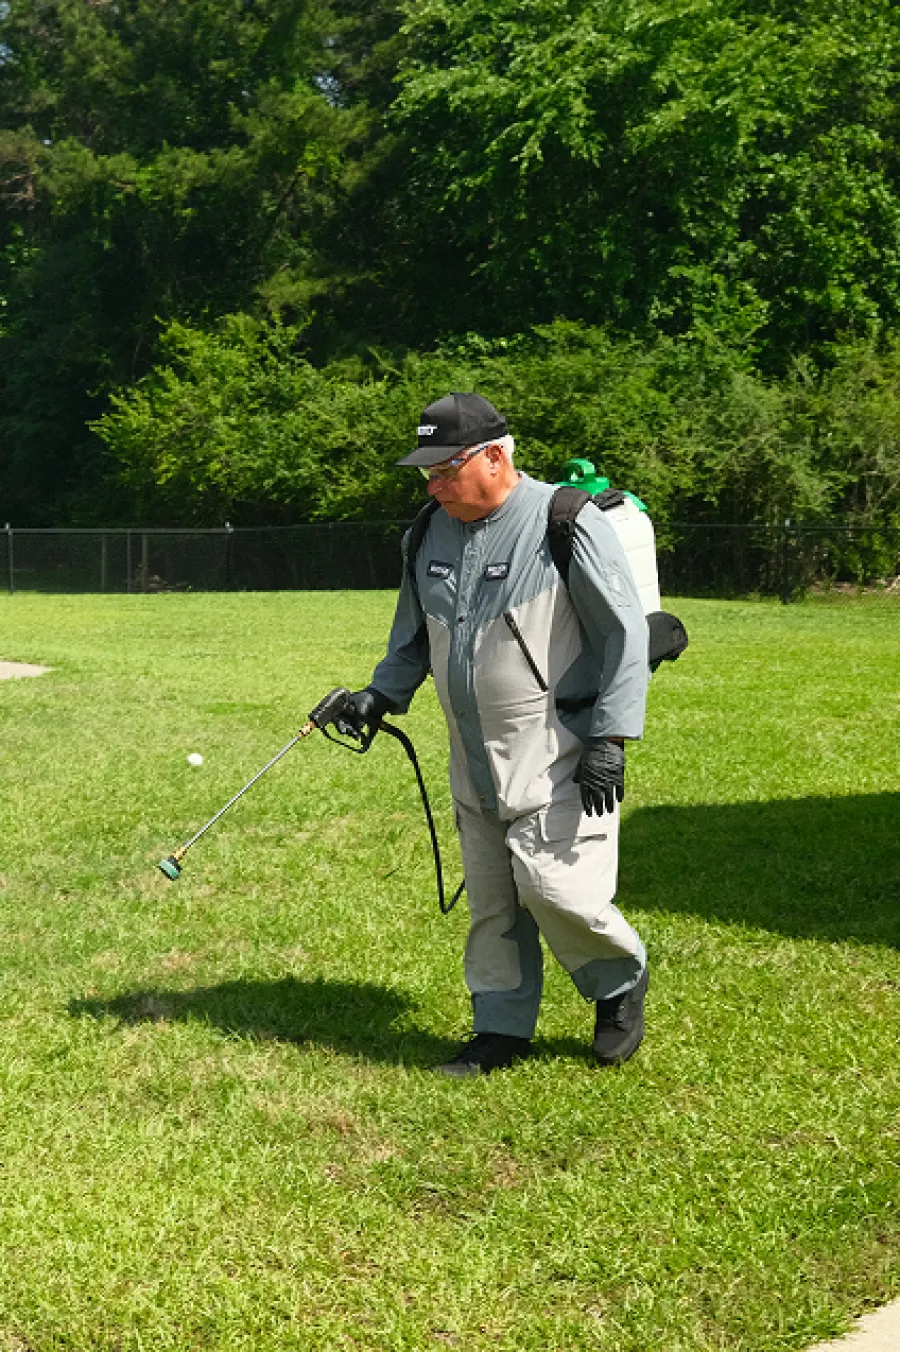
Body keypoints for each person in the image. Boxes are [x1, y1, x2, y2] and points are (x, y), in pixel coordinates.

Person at [334, 392, 650, 1077]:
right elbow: (414, 634)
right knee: (492, 899)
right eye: (427, 475)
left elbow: (624, 637)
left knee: (557, 889)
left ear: (496, 456)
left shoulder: (567, 521)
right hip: (471, 757)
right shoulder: (426, 532)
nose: (435, 486)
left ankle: (619, 982)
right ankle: (500, 1028)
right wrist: (379, 694)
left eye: (446, 471)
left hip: (559, 748)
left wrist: (610, 739)